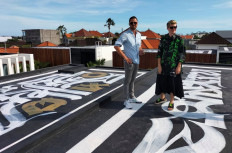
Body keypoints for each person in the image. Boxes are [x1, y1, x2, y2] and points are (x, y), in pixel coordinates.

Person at [155, 20, 186, 111]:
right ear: (168, 28)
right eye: (171, 27)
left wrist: (179, 66)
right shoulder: (163, 38)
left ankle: (171, 101)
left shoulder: (179, 39)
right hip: (164, 64)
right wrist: (159, 65)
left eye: (175, 27)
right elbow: (160, 52)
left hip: (174, 65)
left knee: (172, 83)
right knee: (161, 81)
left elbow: (182, 54)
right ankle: (162, 98)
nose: (173, 29)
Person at [114, 16, 145, 109]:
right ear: (129, 24)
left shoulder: (139, 35)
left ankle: (132, 97)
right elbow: (116, 46)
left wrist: (141, 51)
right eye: (131, 23)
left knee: (132, 80)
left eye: (135, 23)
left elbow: (139, 46)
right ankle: (126, 100)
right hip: (129, 62)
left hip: (136, 61)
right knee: (127, 81)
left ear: (137, 23)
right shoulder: (125, 34)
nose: (133, 24)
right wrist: (126, 58)